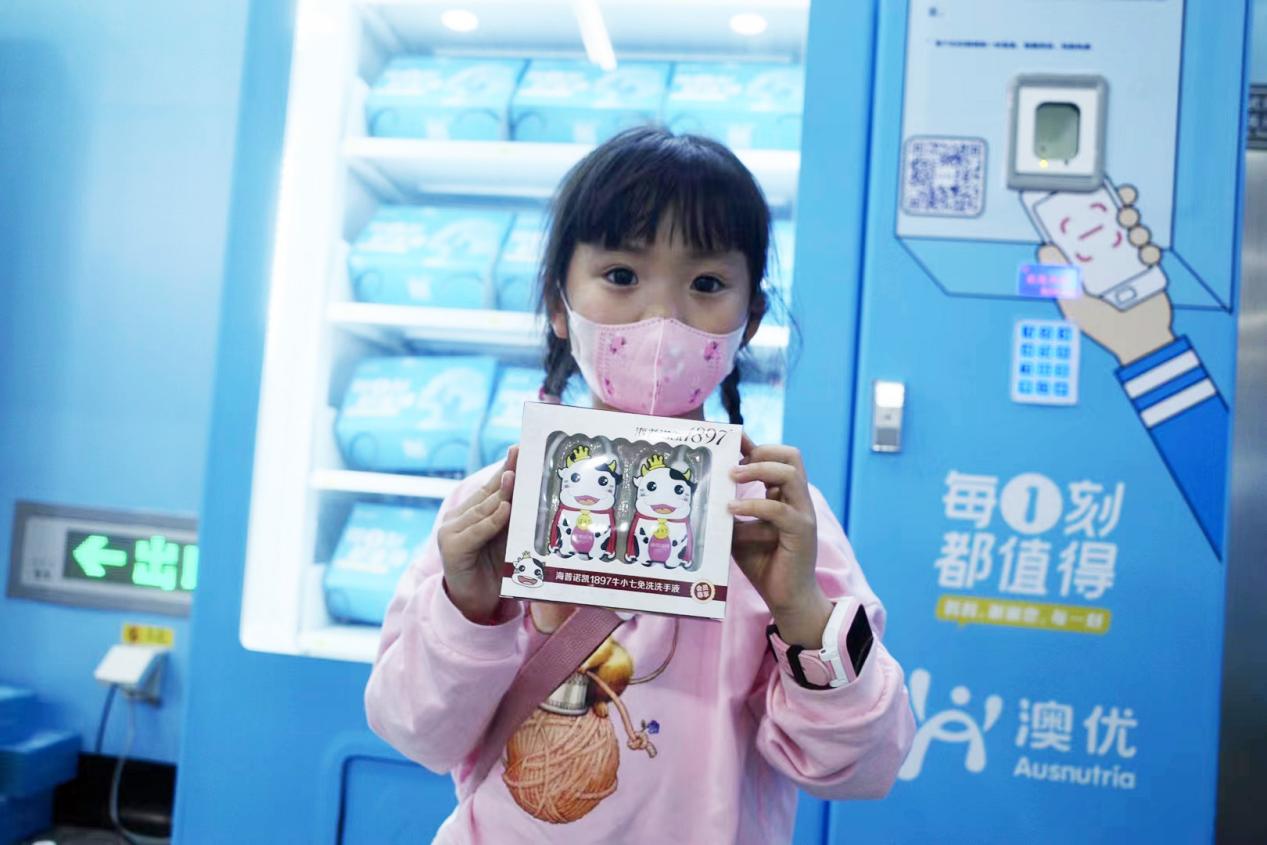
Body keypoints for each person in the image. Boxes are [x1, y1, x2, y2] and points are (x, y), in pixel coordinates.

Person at [365, 127, 915, 844]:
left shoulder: (779, 524)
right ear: (559, 302)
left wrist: (801, 608)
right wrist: (468, 606)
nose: (662, 320)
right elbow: (415, 730)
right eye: (621, 275)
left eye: (706, 284)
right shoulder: (490, 506)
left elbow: (863, 768)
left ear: (749, 321)